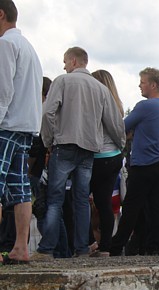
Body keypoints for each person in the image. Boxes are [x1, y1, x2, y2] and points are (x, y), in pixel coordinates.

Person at [37, 47, 125, 260]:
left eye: (65, 61)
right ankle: (82, 249)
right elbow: (113, 122)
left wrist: (48, 140)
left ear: (74, 61)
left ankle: (46, 248)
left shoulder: (62, 81)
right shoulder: (101, 89)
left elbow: (48, 112)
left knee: (55, 199)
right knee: (81, 199)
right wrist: (121, 144)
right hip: (88, 150)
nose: (64, 66)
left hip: (64, 145)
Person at [109, 67, 159, 256]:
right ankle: (154, 246)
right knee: (154, 204)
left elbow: (122, 126)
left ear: (153, 85)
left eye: (143, 82)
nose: (139, 85)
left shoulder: (145, 106)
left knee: (131, 205)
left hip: (144, 162)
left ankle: (117, 244)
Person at [0, 0, 42, 265]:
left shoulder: (6, 43)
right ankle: (20, 247)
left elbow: (3, 89)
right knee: (21, 188)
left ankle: (18, 248)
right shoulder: (28, 46)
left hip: (6, 123)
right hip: (27, 125)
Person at [89, 69, 125, 257]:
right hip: (114, 156)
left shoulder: (95, 103)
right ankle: (105, 247)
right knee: (104, 203)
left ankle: (88, 242)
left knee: (78, 199)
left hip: (97, 156)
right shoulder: (117, 105)